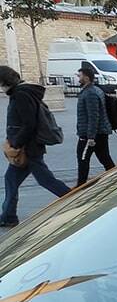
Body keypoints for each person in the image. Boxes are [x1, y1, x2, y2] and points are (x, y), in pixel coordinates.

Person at [1, 66, 70, 227]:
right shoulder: (23, 93)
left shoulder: (21, 95)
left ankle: (76, 200)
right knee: (11, 179)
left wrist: (16, 143)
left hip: (28, 148)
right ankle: (8, 215)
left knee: (46, 180)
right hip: (28, 147)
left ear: (6, 81)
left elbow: (29, 123)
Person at [75, 63, 115, 186]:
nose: (78, 78)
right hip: (100, 132)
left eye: (80, 76)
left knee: (83, 158)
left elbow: (94, 116)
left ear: (86, 78)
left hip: (92, 134)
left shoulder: (90, 93)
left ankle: (81, 185)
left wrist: (91, 137)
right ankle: (116, 178)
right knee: (104, 158)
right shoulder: (95, 90)